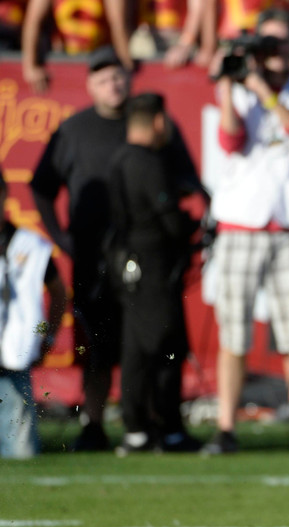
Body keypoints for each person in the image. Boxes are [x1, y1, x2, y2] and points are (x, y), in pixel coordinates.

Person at [30, 46, 200, 452]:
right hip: (94, 257)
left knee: (153, 343)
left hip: (148, 259)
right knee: (96, 346)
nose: (114, 84)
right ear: (89, 85)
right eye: (103, 77)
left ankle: (154, 423)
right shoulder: (74, 130)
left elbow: (188, 183)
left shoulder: (150, 128)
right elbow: (40, 187)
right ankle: (94, 423)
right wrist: (62, 237)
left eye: (119, 75)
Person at [205, 8, 289, 456]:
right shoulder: (238, 90)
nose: (276, 53)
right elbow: (230, 140)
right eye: (268, 44)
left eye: (283, 45)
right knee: (233, 331)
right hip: (242, 222)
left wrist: (260, 89)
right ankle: (225, 426)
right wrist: (227, 84)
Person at [107, 93, 203, 456]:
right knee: (164, 348)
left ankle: (137, 427)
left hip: (128, 264)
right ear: (159, 122)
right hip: (154, 265)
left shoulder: (118, 159)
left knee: (137, 347)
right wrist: (189, 225)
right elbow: (168, 220)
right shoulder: (148, 162)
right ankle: (165, 427)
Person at [1, 171, 67, 459]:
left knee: (21, 452)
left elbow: (58, 292)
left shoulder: (29, 245)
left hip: (12, 355)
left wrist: (46, 335)